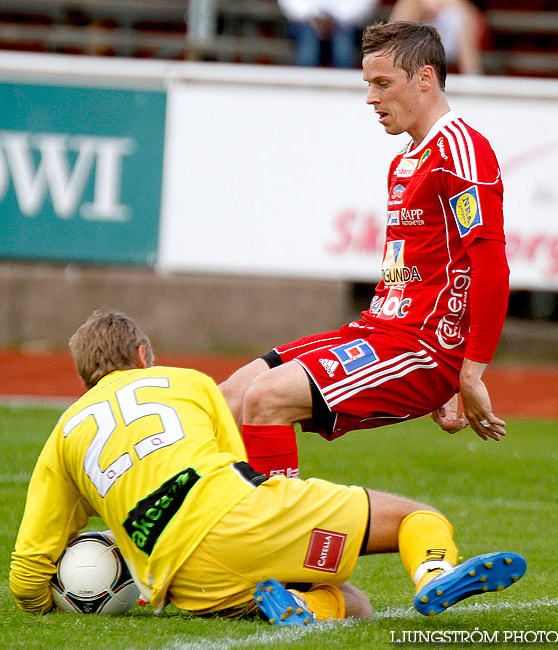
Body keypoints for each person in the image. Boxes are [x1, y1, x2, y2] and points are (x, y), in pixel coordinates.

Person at [10, 310, 525, 624]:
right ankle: (435, 572)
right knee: (419, 519)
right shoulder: (187, 381)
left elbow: (28, 569)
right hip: (241, 517)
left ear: (84, 378)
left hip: (186, 586)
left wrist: (42, 604)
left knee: (353, 603)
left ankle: (304, 611)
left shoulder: (63, 436)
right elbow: (237, 465)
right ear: (145, 354)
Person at [218, 20, 510, 482]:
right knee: (230, 397)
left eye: (382, 84)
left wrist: (466, 372)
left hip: (423, 347)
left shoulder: (460, 149)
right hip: (380, 330)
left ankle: (280, 542)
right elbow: (413, 270)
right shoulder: (406, 159)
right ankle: (219, 529)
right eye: (368, 84)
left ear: (425, 79)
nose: (371, 98)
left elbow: (490, 265)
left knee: (266, 397)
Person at [390, 0, 485, 74]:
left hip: (455, 39)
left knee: (462, 18)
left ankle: (471, 74)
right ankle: (394, 66)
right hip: (421, 41)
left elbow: (471, 14)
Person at [278, 0, 379, 68]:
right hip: (305, 22)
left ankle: (344, 91)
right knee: (308, 50)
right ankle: (302, 89)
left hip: (345, 23)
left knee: (343, 50)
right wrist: (311, 16)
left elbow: (363, 4)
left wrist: (336, 18)